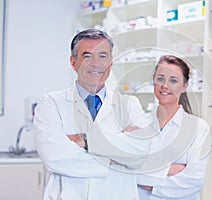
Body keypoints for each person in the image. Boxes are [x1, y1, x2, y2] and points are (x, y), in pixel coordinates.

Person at [33, 29, 150, 200]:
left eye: (103, 56)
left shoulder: (129, 105)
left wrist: (86, 140)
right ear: (74, 62)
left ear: (111, 63)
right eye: (87, 56)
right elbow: (54, 157)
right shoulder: (51, 103)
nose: (96, 64)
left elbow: (141, 155)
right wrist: (116, 155)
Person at [136, 55, 211, 200]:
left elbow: (194, 180)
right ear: (154, 81)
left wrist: (148, 180)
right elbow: (125, 170)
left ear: (185, 86)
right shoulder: (139, 124)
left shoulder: (198, 128)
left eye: (173, 80)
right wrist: (169, 170)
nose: (165, 85)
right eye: (160, 78)